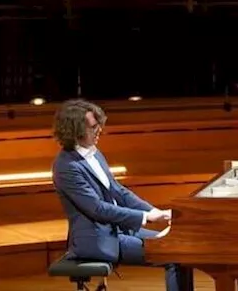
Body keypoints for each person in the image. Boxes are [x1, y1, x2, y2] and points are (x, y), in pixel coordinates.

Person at [51, 99, 194, 291]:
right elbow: (97, 209)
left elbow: (118, 191)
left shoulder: (94, 153)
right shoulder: (66, 167)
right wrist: (145, 217)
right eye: (93, 127)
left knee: (181, 249)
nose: (99, 130)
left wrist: (154, 211)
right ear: (74, 130)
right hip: (97, 239)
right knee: (171, 255)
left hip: (117, 230)